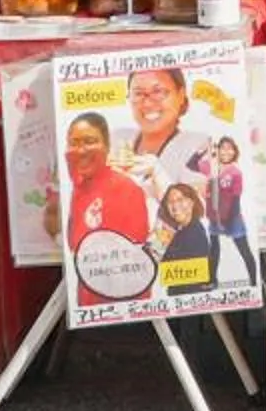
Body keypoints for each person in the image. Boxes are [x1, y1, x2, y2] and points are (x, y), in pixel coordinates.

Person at [55, 112, 149, 310]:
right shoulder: (78, 188)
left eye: (89, 141)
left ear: (106, 146)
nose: (80, 150)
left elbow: (135, 257)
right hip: (88, 305)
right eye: (74, 142)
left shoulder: (126, 190)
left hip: (123, 311)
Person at [154, 184, 216, 297]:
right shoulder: (180, 231)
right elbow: (155, 256)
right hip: (179, 300)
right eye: (170, 202)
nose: (175, 206)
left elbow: (166, 268)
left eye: (180, 200)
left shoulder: (195, 233)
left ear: (192, 203)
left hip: (190, 302)